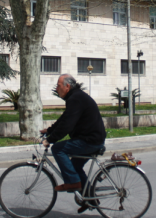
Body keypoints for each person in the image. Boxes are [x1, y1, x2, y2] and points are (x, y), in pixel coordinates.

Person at [41, 74, 106, 214]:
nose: (57, 88)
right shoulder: (76, 97)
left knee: (58, 149)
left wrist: (51, 140)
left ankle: (72, 183)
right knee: (75, 166)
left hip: (90, 140)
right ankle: (90, 199)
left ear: (67, 86)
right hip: (92, 139)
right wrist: (49, 130)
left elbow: (68, 125)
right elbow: (65, 118)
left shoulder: (75, 98)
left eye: (58, 85)